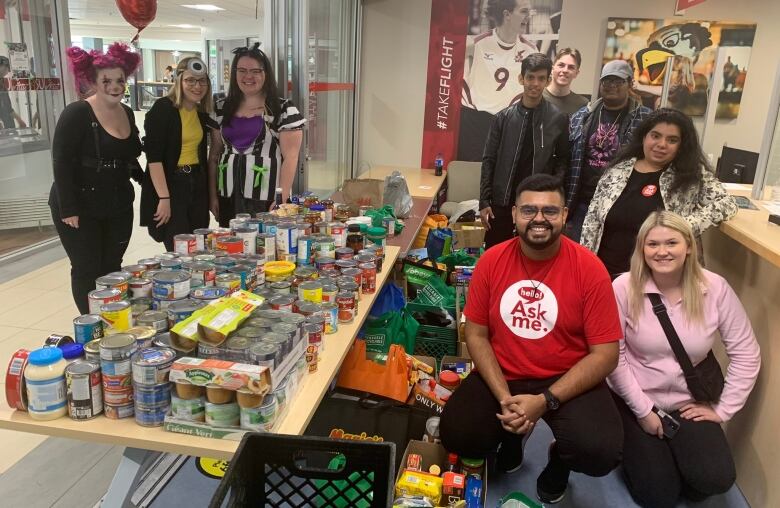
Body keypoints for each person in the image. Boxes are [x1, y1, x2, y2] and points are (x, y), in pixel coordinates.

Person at [441, 174, 624, 505]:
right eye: (529, 210)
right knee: (458, 433)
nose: (539, 218)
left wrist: (544, 402)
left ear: (565, 215)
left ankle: (559, 460)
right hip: (504, 372)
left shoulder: (590, 269)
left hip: (564, 376)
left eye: (549, 211)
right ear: (514, 215)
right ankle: (511, 436)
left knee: (599, 450)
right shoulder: (491, 261)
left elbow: (605, 355)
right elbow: (476, 334)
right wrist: (504, 398)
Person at [609, 211, 760, 508]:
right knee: (657, 495)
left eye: (671, 243)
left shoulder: (714, 287)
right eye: (652, 244)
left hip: (689, 403)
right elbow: (614, 357)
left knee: (714, 479)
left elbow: (746, 353)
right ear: (641, 249)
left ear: (689, 246)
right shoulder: (623, 288)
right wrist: (642, 410)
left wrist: (723, 409)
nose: (662, 251)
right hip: (635, 399)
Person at [580, 108, 738, 279]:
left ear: (682, 145)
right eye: (655, 136)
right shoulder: (617, 171)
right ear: (644, 137)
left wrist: (683, 226)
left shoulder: (691, 175)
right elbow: (592, 221)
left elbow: (727, 204)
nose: (662, 144)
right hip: (608, 273)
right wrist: (585, 268)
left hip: (662, 278)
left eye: (672, 140)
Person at [49, 43, 142, 314]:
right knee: (87, 267)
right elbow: (61, 162)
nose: (115, 86)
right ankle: (91, 323)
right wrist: (69, 207)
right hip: (80, 205)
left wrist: (150, 185)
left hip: (117, 202)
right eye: (107, 81)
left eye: (120, 80)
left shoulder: (125, 112)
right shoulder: (77, 113)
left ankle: (112, 316)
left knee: (112, 264)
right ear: (93, 81)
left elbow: (129, 155)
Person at [479, 53, 569, 249]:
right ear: (521, 78)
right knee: (497, 253)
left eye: (540, 78)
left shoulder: (558, 118)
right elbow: (489, 160)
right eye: (530, 77)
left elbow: (563, 160)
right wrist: (484, 201)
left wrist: (554, 189)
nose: (535, 83)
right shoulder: (502, 118)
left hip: (537, 202)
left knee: (533, 253)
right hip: (502, 201)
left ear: (547, 80)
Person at [210, 43, 305, 226]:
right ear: (234, 73)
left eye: (255, 71)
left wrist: (281, 199)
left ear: (265, 74)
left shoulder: (283, 109)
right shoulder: (221, 107)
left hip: (265, 199)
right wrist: (212, 196)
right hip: (227, 196)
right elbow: (214, 156)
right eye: (242, 70)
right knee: (229, 247)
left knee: (264, 247)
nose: (248, 76)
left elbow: (291, 158)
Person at [565, 60, 652, 241]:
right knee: (580, 260)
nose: (611, 86)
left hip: (621, 205)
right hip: (583, 204)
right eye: (607, 81)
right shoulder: (582, 116)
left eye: (618, 81)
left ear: (630, 83)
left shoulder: (646, 119)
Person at [140, 57, 219, 251]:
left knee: (200, 245)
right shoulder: (163, 109)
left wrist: (211, 196)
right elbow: (154, 158)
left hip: (197, 183)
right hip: (172, 185)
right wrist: (164, 198)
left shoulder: (202, 113)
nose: (197, 86)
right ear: (179, 81)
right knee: (180, 249)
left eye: (202, 81)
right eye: (190, 80)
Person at [458, 0, 538, 161]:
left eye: (529, 12)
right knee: (471, 173)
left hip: (507, 123)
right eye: (523, 11)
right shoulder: (476, 44)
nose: (528, 17)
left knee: (500, 175)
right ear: (507, 14)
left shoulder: (530, 51)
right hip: (475, 120)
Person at [542, 48, 587, 115]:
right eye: (561, 65)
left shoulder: (582, 105)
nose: (565, 70)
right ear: (552, 69)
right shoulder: (537, 97)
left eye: (571, 67)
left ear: (576, 73)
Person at [0, 55, 27, 130]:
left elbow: (8, 106)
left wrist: (19, 120)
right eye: (6, 68)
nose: (7, 71)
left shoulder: (3, 82)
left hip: (8, 124)